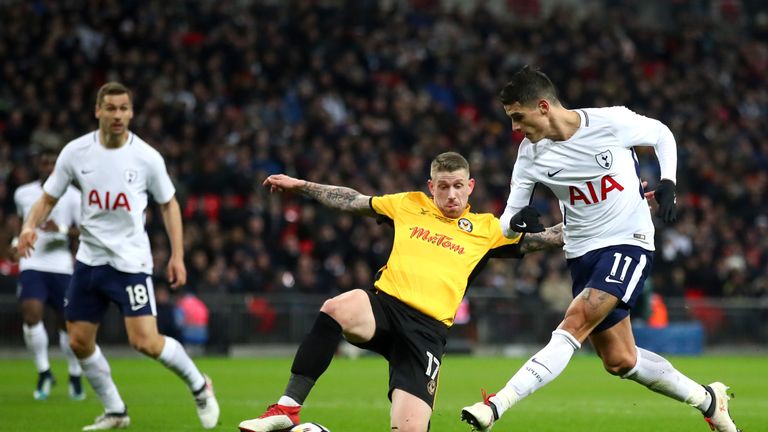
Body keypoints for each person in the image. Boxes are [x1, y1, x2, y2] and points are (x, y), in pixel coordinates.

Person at [460, 67, 740, 432]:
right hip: (581, 254)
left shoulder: (610, 122)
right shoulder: (531, 155)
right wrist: (518, 222)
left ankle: (496, 405)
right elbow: (506, 221)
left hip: (629, 241)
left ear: (543, 107)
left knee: (574, 322)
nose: (514, 128)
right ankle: (709, 400)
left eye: (518, 117)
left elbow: (662, 135)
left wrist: (669, 181)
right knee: (620, 360)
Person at [238, 152, 564, 432]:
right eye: (444, 186)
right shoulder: (409, 204)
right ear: (431, 186)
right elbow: (352, 200)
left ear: (470, 187)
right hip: (385, 307)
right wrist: (301, 186)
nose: (451, 194)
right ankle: (287, 408)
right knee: (337, 307)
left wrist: (598, 218)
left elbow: (549, 238)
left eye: (458, 186)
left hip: (426, 334)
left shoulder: (489, 229)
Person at [17, 82, 219, 431]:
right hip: (89, 262)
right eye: (110, 108)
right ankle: (115, 410)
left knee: (145, 342)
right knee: (79, 342)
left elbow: (169, 204)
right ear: (97, 110)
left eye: (123, 108)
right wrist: (28, 227)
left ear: (131, 112)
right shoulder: (75, 153)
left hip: (130, 264)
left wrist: (178, 255)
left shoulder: (146, 157)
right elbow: (47, 197)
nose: (117, 115)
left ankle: (200, 386)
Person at [13, 147, 85, 401]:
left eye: (52, 163)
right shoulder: (24, 194)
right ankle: (44, 372)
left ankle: (75, 374)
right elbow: (19, 225)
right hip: (32, 263)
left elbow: (85, 230)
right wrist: (14, 245)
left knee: (68, 324)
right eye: (43, 162)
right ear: (38, 164)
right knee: (31, 314)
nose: (47, 167)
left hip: (61, 266)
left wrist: (62, 229)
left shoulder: (74, 196)